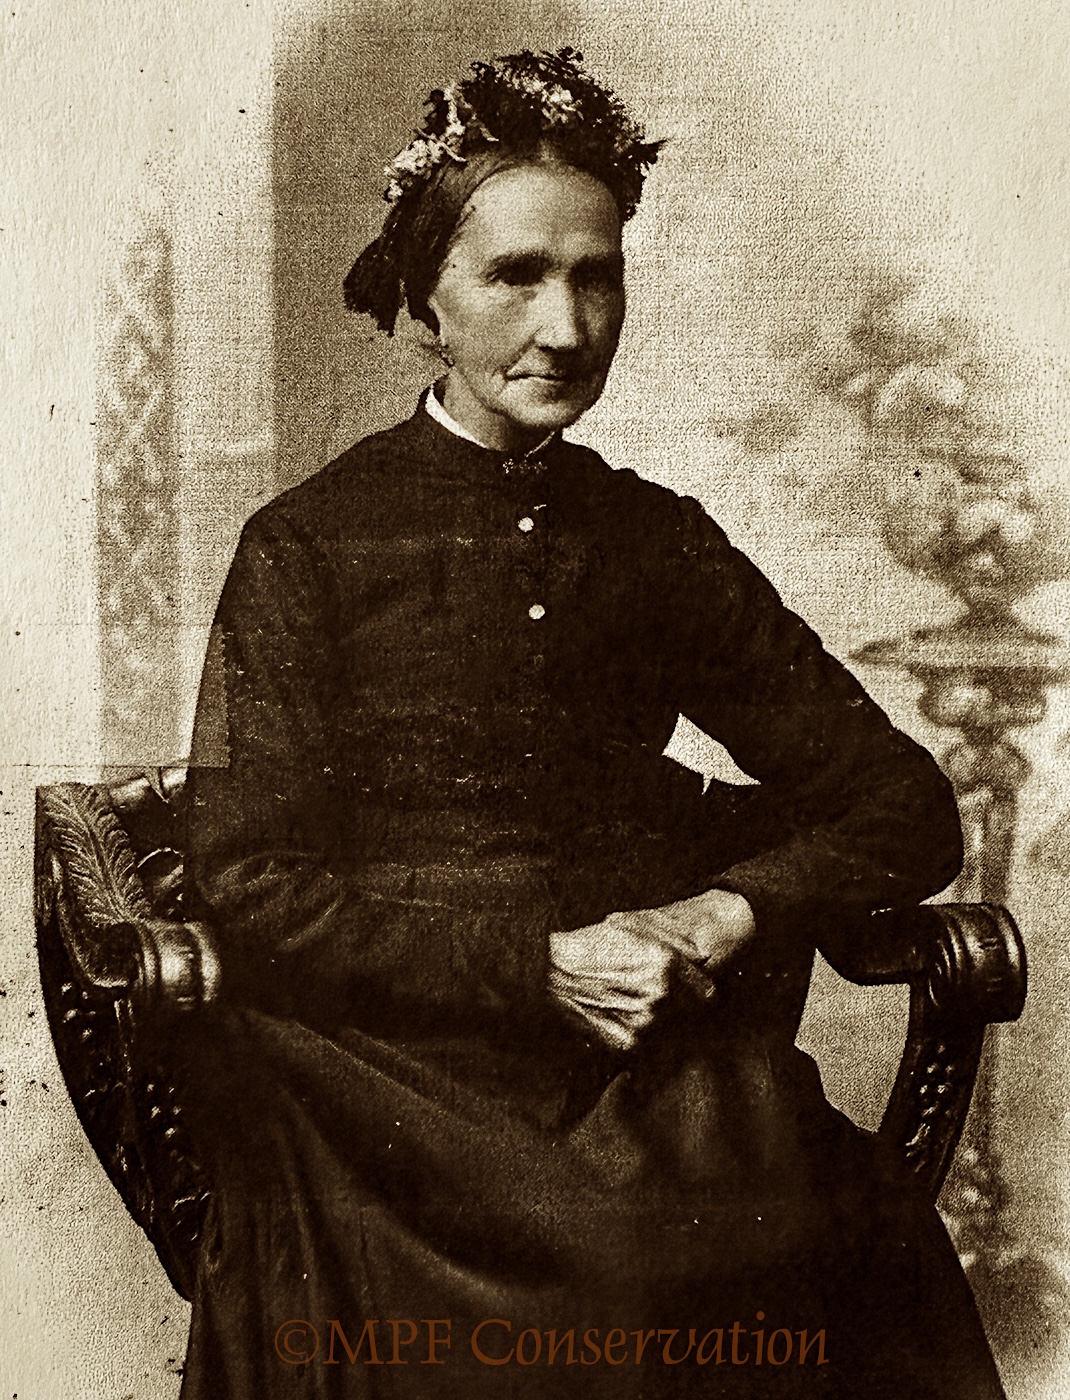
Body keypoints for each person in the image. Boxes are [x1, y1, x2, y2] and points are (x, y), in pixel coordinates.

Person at [179, 48, 1005, 1398]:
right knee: (618, 1277)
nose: (564, 328)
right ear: (425, 303)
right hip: (387, 1068)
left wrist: (720, 915)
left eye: (596, 276)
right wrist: (533, 968)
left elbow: (899, 804)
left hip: (641, 1052)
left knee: (833, 1233)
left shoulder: (653, 541)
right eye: (514, 276)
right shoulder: (308, 546)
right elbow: (253, 885)